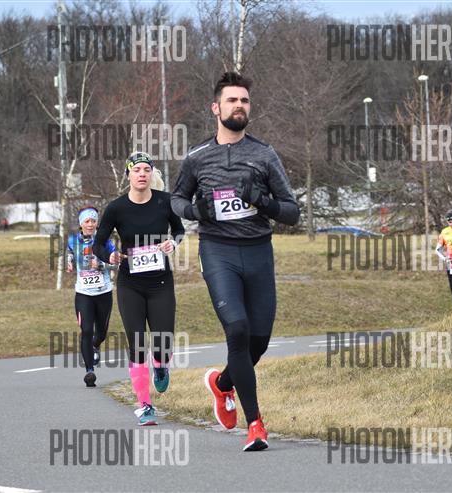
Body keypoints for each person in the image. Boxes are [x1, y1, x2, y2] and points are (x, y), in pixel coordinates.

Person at [171, 72, 300, 451]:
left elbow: (292, 212)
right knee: (238, 330)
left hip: (258, 251)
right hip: (218, 251)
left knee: (258, 342)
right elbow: (176, 200)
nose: (239, 106)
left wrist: (262, 201)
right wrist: (195, 211)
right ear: (216, 108)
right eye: (232, 100)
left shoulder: (264, 154)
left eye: (244, 101)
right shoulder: (197, 157)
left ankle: (222, 383)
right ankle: (255, 424)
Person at [94, 152, 185, 426]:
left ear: (151, 173)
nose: (142, 174)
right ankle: (145, 405)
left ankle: (161, 365)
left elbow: (179, 230)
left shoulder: (165, 201)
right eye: (137, 170)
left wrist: (173, 243)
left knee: (163, 341)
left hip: (160, 283)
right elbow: (98, 243)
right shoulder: (116, 208)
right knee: (137, 343)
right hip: (130, 284)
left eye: (146, 169)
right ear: (128, 175)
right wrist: (108, 256)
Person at [66, 207, 117, 387]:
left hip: (104, 293)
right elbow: (69, 252)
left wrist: (101, 265)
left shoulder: (105, 241)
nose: (90, 224)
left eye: (93, 221)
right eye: (87, 221)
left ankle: (96, 345)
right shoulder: (73, 240)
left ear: (97, 223)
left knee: (101, 333)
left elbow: (115, 263)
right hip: (84, 294)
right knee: (86, 330)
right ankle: (90, 371)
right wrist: (69, 262)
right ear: (81, 224)